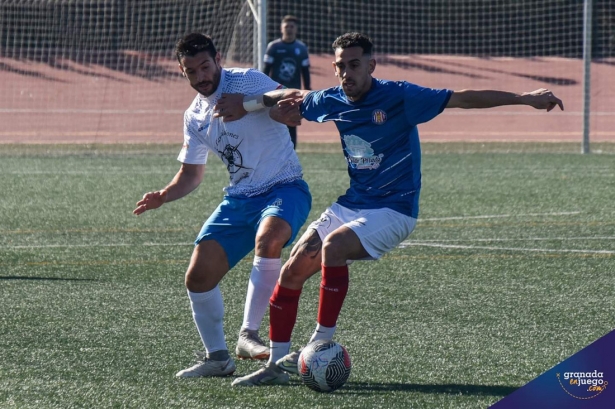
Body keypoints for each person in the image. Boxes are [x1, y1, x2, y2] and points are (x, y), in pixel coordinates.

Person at [222, 32, 564, 386]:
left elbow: (463, 98)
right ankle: (276, 366)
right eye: (340, 67)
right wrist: (247, 105)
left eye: (354, 65)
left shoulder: (400, 95)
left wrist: (525, 98)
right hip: (353, 203)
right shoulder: (332, 100)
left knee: (333, 247)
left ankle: (321, 342)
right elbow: (293, 95)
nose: (346, 73)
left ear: (371, 65)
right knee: (292, 268)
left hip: (395, 210)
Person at [132, 33, 312, 378]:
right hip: (239, 199)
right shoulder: (194, 115)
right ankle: (217, 358)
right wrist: (164, 195)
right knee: (198, 277)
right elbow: (191, 174)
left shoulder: (246, 79)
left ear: (217, 59)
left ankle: (249, 334)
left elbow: (293, 95)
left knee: (269, 238)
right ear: (182, 72)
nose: (201, 76)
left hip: (284, 186)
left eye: (205, 66)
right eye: (191, 71)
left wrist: (248, 104)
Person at [262, 15, 311, 149]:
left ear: (296, 29)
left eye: (292, 26)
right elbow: (266, 70)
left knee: (292, 123)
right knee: (272, 123)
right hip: (275, 93)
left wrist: (308, 91)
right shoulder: (273, 47)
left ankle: (291, 154)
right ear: (281, 28)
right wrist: (262, 89)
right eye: (286, 26)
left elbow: (305, 72)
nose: (289, 29)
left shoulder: (301, 48)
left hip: (293, 94)